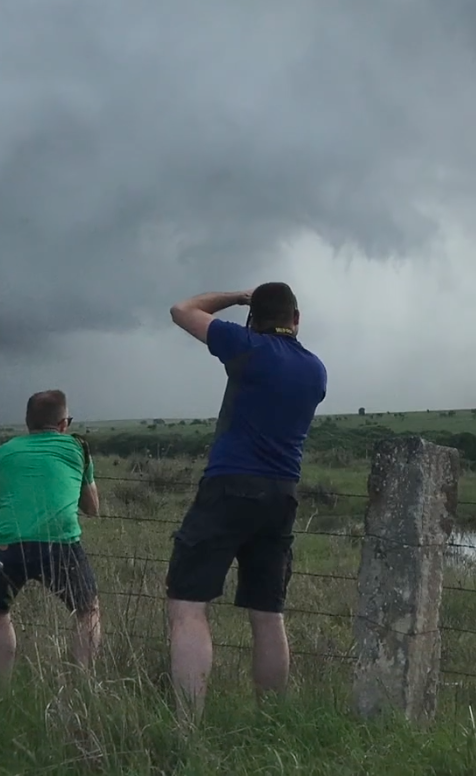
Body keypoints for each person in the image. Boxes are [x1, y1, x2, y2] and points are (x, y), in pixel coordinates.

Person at [165, 282, 328, 718]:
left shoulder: (247, 346)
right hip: (281, 496)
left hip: (229, 484)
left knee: (188, 605)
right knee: (267, 612)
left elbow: (181, 308)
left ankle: (186, 728)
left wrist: (237, 296)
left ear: (252, 320)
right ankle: (271, 721)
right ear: (296, 320)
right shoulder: (316, 370)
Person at [0, 389, 102, 679]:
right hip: (58, 543)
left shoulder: (4, 451)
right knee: (88, 611)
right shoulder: (78, 447)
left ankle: (1, 692)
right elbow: (92, 508)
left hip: (4, 545)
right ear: (63, 425)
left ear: (27, 423)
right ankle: (79, 684)